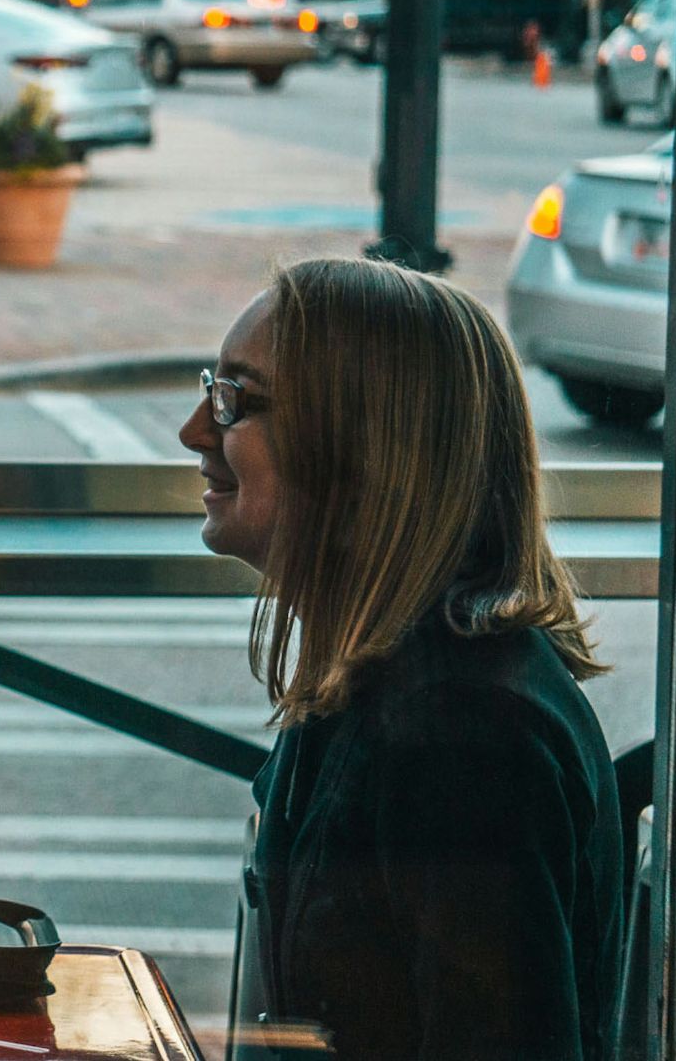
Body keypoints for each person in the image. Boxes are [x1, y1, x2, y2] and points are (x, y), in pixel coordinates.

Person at [179, 258, 624, 1060]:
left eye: (233, 401)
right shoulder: (400, 677)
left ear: (359, 443)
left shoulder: (462, 737)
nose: (196, 431)